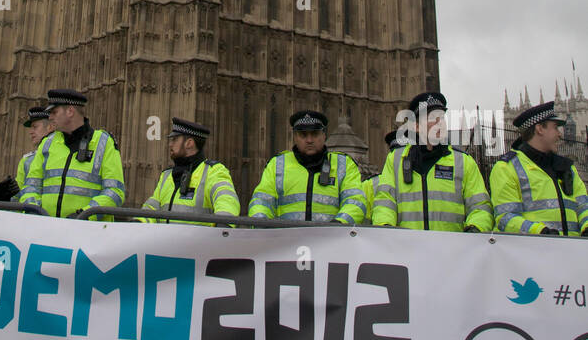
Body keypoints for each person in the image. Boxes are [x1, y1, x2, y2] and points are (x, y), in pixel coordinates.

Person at [373, 91, 493, 232]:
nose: (439, 123)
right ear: (416, 127)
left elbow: (480, 205)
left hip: (452, 249)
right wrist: (385, 228)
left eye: (441, 117)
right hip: (407, 248)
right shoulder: (395, 159)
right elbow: (385, 202)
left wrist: (476, 227)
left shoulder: (463, 161)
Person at [17, 88, 124, 219]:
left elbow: (115, 192)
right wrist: (35, 212)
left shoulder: (104, 142)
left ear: (70, 111)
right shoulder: (47, 144)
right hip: (46, 231)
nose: (50, 117)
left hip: (87, 232)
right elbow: (30, 186)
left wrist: (84, 215)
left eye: (54, 112)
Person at [249, 110, 366, 224]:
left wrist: (338, 224)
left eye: (315, 134)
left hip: (331, 240)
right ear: (295, 137)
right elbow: (262, 200)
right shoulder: (277, 164)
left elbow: (355, 201)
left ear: (324, 135)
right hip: (288, 239)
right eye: (303, 135)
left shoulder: (344, 164)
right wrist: (261, 223)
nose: (309, 140)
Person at [490, 101, 588, 238]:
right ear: (540, 129)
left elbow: (584, 206)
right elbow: (505, 217)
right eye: (555, 128)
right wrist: (540, 232)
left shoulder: (567, 167)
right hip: (533, 254)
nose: (560, 134)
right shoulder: (507, 167)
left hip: (573, 253)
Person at [140, 117, 240, 223]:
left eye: (174, 139)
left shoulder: (213, 171)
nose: (170, 144)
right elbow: (152, 207)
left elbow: (227, 201)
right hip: (166, 239)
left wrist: (223, 227)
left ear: (189, 143)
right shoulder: (166, 175)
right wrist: (139, 222)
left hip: (198, 239)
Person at [16, 106, 50, 189]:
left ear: (49, 127)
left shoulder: (63, 153)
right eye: (31, 128)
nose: (31, 132)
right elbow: (18, 193)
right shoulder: (26, 161)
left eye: (35, 127)